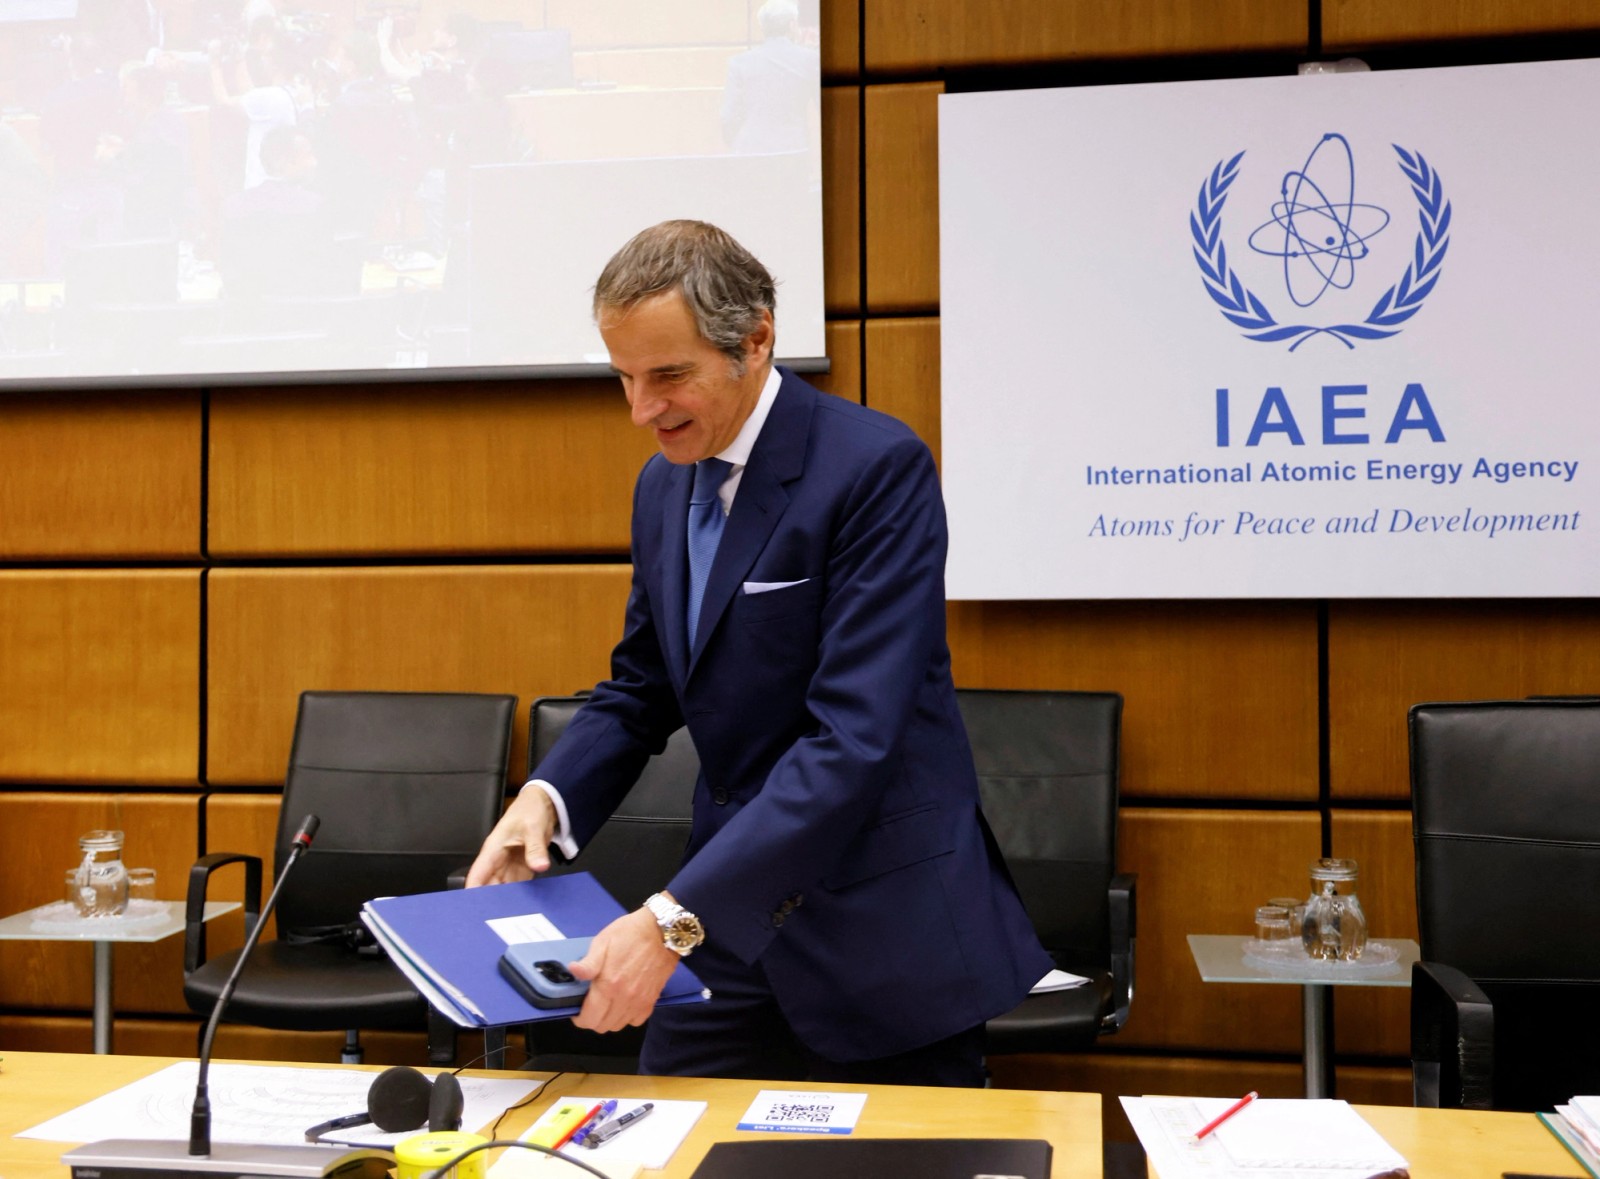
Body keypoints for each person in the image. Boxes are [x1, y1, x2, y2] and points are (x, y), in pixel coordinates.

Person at [467, 220, 1050, 1085]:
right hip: (727, 928)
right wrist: (545, 800)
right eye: (625, 377)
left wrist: (668, 921)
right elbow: (642, 685)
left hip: (880, 934)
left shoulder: (875, 468)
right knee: (667, 1137)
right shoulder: (662, 483)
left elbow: (851, 739)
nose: (641, 410)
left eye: (669, 376)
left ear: (756, 339)